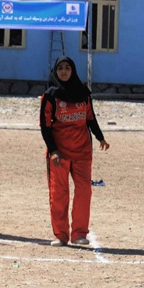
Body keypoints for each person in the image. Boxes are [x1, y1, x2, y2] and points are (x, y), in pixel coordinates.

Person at [39, 56, 110, 247]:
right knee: (59, 193)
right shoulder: (50, 96)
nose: (63, 71)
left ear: (73, 70)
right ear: (55, 72)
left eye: (67, 67)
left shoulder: (83, 93)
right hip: (59, 153)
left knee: (84, 191)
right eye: (60, 68)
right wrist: (53, 150)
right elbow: (45, 126)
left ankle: (79, 233)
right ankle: (61, 235)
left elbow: (90, 118)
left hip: (82, 152)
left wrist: (100, 137)